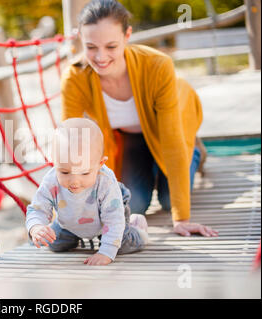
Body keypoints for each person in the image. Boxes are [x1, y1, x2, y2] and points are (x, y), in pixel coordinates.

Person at [61, 0, 218, 237]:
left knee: (168, 201)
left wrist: (181, 219)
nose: (101, 57)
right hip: (129, 136)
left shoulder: (158, 65)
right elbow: (71, 145)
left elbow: (172, 140)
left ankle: (194, 151)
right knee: (132, 204)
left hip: (173, 127)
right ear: (80, 39)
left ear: (127, 35)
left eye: (111, 46)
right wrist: (65, 215)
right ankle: (153, 167)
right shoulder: (75, 77)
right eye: (91, 47)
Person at [26, 118, 149, 265]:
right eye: (65, 172)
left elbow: (113, 219)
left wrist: (105, 252)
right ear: (55, 162)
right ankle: (63, 235)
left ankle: (138, 229)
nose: (74, 181)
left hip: (106, 219)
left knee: (121, 244)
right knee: (55, 244)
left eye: (84, 173)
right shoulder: (51, 180)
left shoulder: (106, 182)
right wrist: (36, 227)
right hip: (69, 222)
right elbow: (38, 207)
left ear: (100, 164)